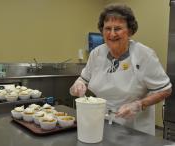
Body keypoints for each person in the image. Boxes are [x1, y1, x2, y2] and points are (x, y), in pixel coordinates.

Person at [70, 3, 172, 135]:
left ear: (129, 31)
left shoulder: (144, 55)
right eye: (107, 28)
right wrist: (78, 84)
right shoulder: (97, 54)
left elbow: (165, 90)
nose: (112, 34)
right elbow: (83, 79)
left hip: (135, 129)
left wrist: (139, 105)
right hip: (102, 123)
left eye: (117, 28)